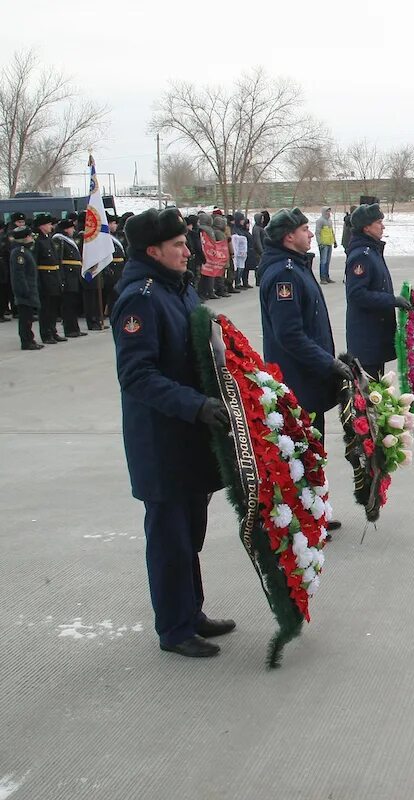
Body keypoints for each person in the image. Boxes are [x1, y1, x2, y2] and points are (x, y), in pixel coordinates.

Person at [109, 207, 233, 658]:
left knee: (190, 533)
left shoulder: (177, 289)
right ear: (153, 251)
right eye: (179, 246)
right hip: (161, 439)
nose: (189, 251)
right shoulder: (140, 298)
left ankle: (191, 611)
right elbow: (136, 375)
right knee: (169, 538)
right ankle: (174, 628)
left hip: (189, 436)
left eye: (187, 243)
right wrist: (196, 405)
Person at [257, 208, 354, 480]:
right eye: (304, 230)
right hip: (297, 380)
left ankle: (314, 511)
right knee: (300, 451)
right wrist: (329, 362)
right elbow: (289, 334)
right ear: (289, 237)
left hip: (308, 377)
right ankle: (304, 514)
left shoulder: (296, 266)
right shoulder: (284, 275)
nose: (311, 233)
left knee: (311, 448)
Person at [344, 203, 411, 379]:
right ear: (366, 227)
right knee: (369, 396)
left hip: (375, 337)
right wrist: (392, 300)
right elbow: (357, 294)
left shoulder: (372, 250)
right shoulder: (362, 255)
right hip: (366, 339)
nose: (383, 226)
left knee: (377, 395)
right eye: (378, 222)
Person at [32, 214, 65, 345]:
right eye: (48, 224)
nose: (51, 227)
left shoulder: (49, 239)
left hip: (54, 277)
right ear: (42, 226)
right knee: (45, 309)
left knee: (53, 308)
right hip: (45, 278)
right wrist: (39, 282)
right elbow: (35, 263)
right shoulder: (37, 241)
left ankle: (53, 331)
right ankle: (46, 334)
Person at [53, 217, 86, 338]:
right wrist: (61, 278)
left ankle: (74, 327)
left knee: (74, 302)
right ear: (66, 229)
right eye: (71, 227)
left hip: (74, 275)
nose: (73, 230)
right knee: (68, 304)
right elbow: (59, 259)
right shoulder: (59, 240)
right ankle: (69, 329)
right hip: (67, 275)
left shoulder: (69, 240)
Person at [8, 225, 40, 350]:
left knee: (29, 318)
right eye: (30, 236)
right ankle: (26, 341)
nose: (32, 238)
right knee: (25, 318)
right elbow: (19, 274)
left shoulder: (25, 251)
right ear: (25, 237)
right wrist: (24, 290)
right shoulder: (18, 253)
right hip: (24, 291)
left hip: (29, 289)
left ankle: (30, 339)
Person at [314, 207, 336, 284]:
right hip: (323, 244)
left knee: (327, 261)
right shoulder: (320, 221)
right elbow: (317, 233)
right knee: (323, 261)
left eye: (329, 212)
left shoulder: (329, 221)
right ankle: (323, 278)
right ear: (324, 212)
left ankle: (327, 277)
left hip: (329, 243)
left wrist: (334, 241)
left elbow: (331, 231)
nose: (329, 213)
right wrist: (320, 243)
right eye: (327, 212)